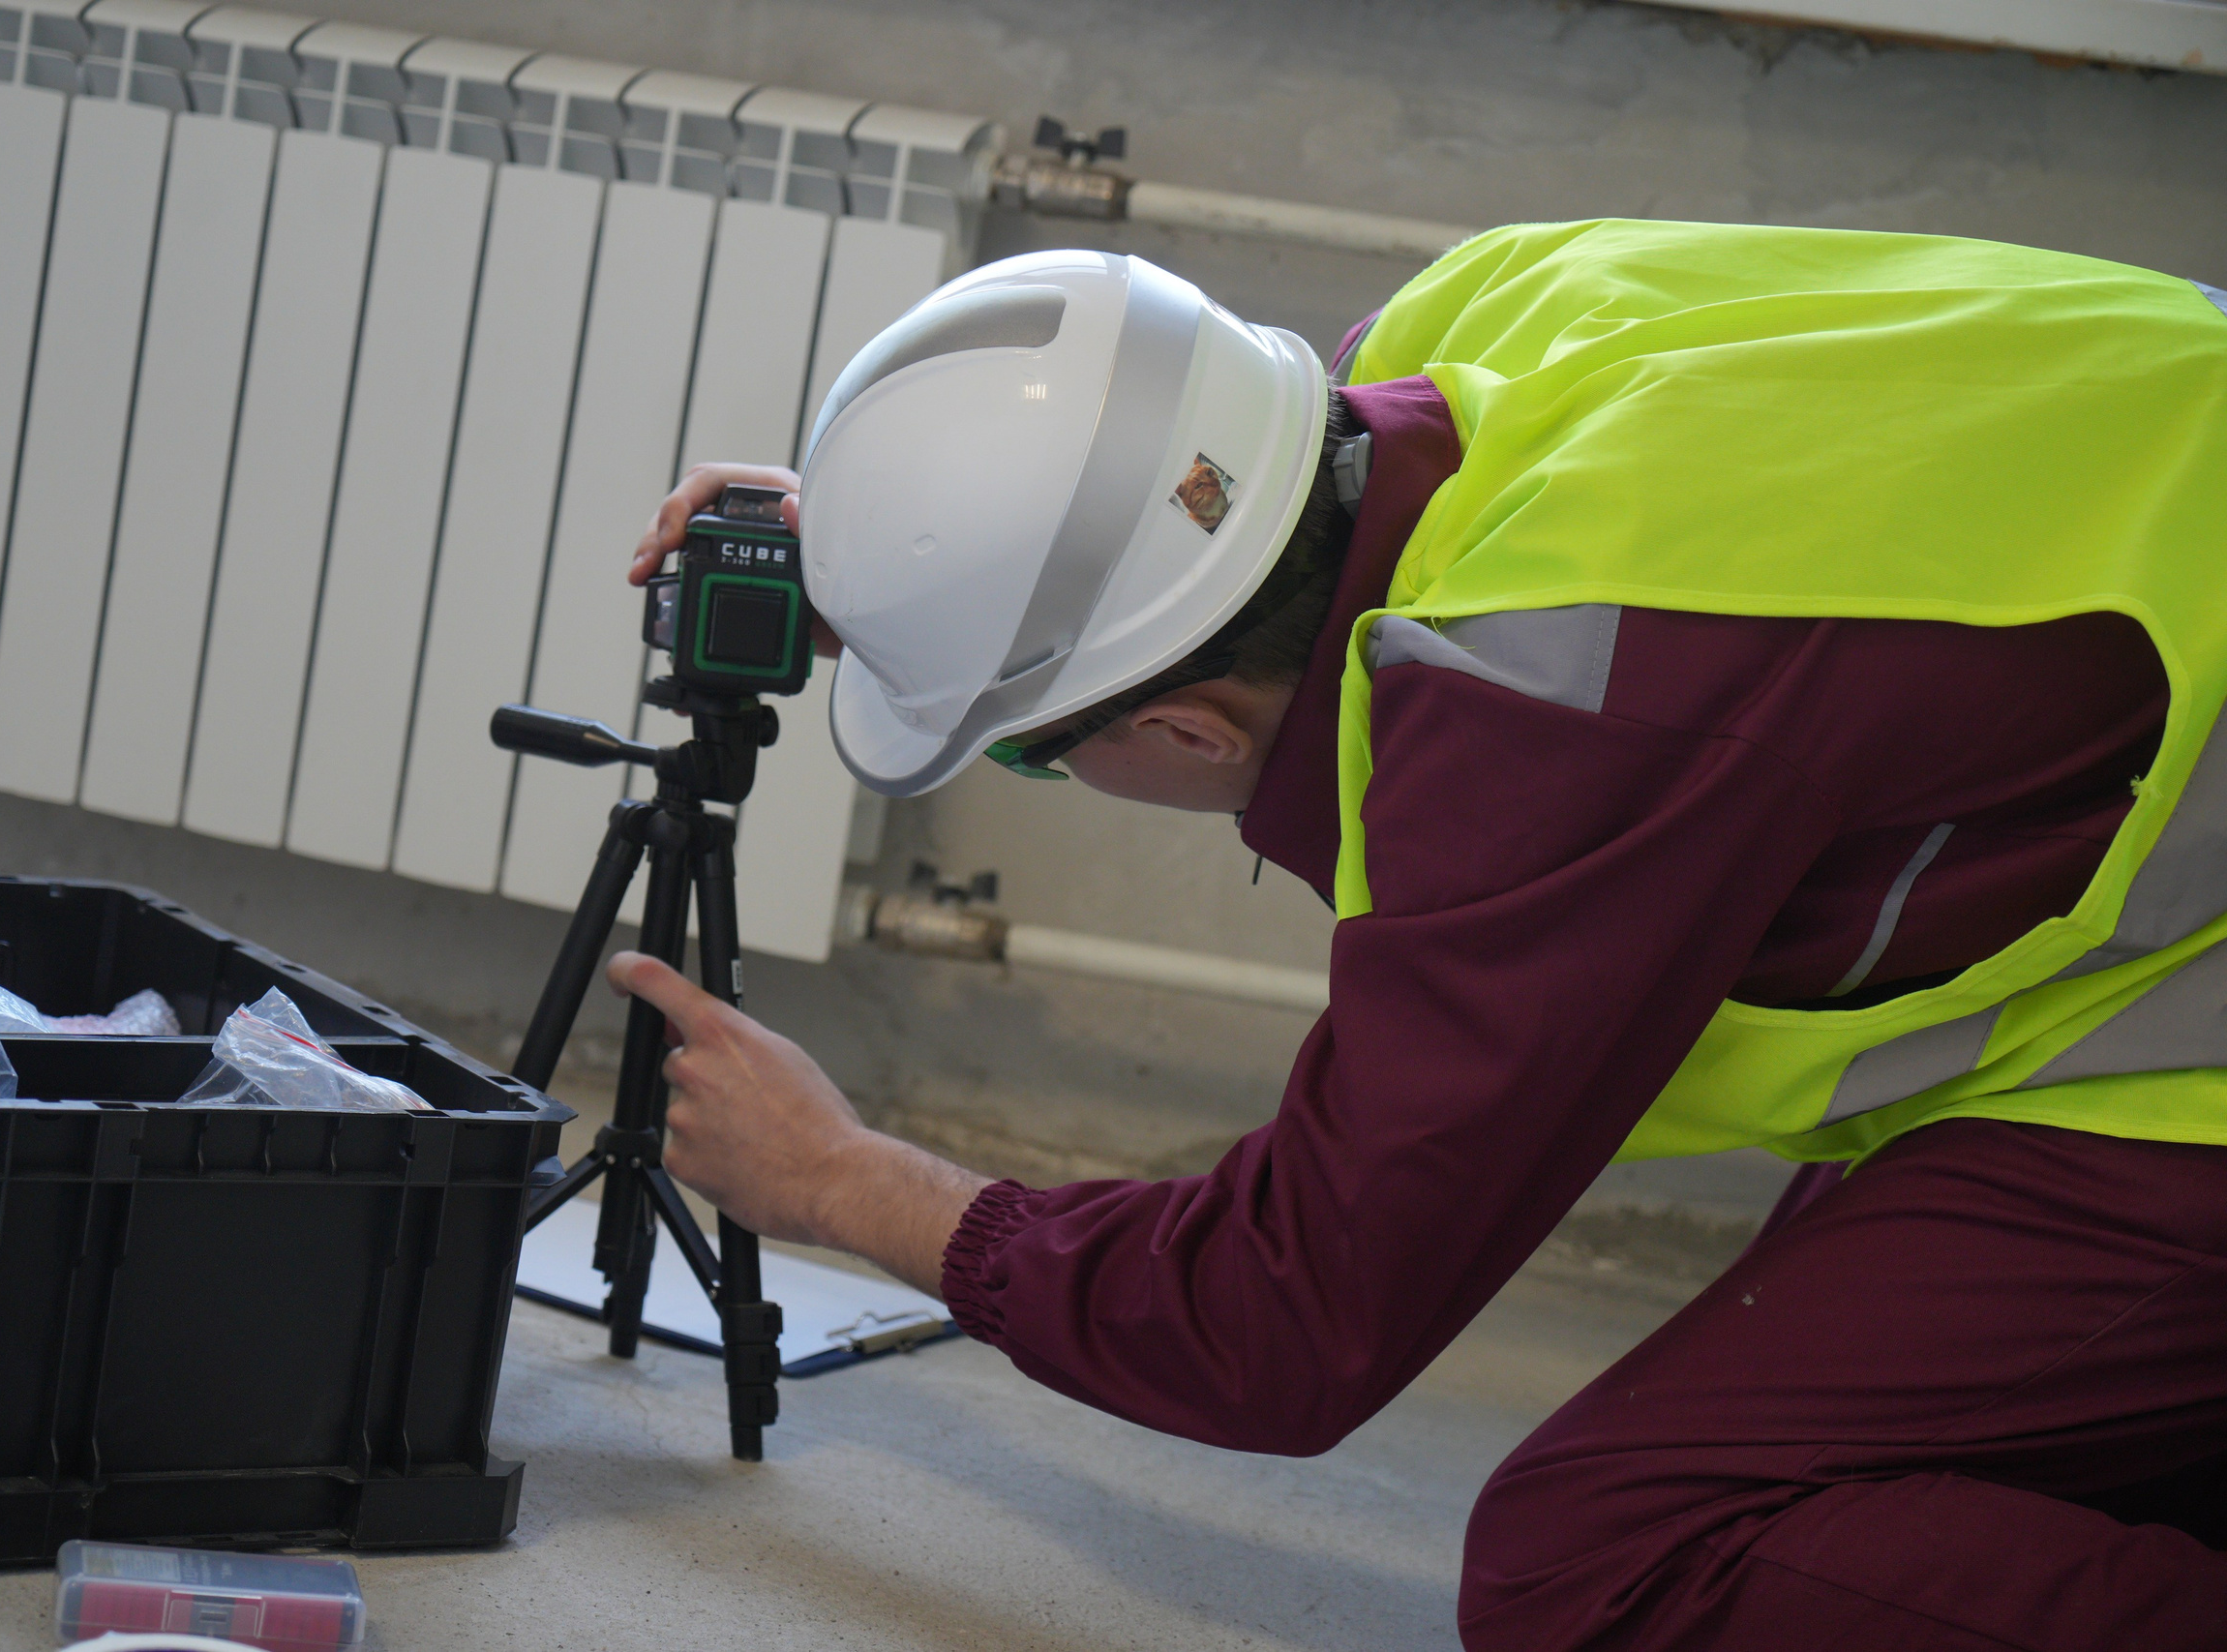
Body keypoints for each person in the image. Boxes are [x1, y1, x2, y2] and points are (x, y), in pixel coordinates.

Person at [608, 225, 2227, 1650]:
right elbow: (1154, 502)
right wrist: (925, 557)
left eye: (1035, 743)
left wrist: (844, 1179)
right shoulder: (1471, 320)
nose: (1056, 768)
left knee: (1609, 1560)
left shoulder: (1564, 713)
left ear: (1178, 734)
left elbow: (1287, 1321)